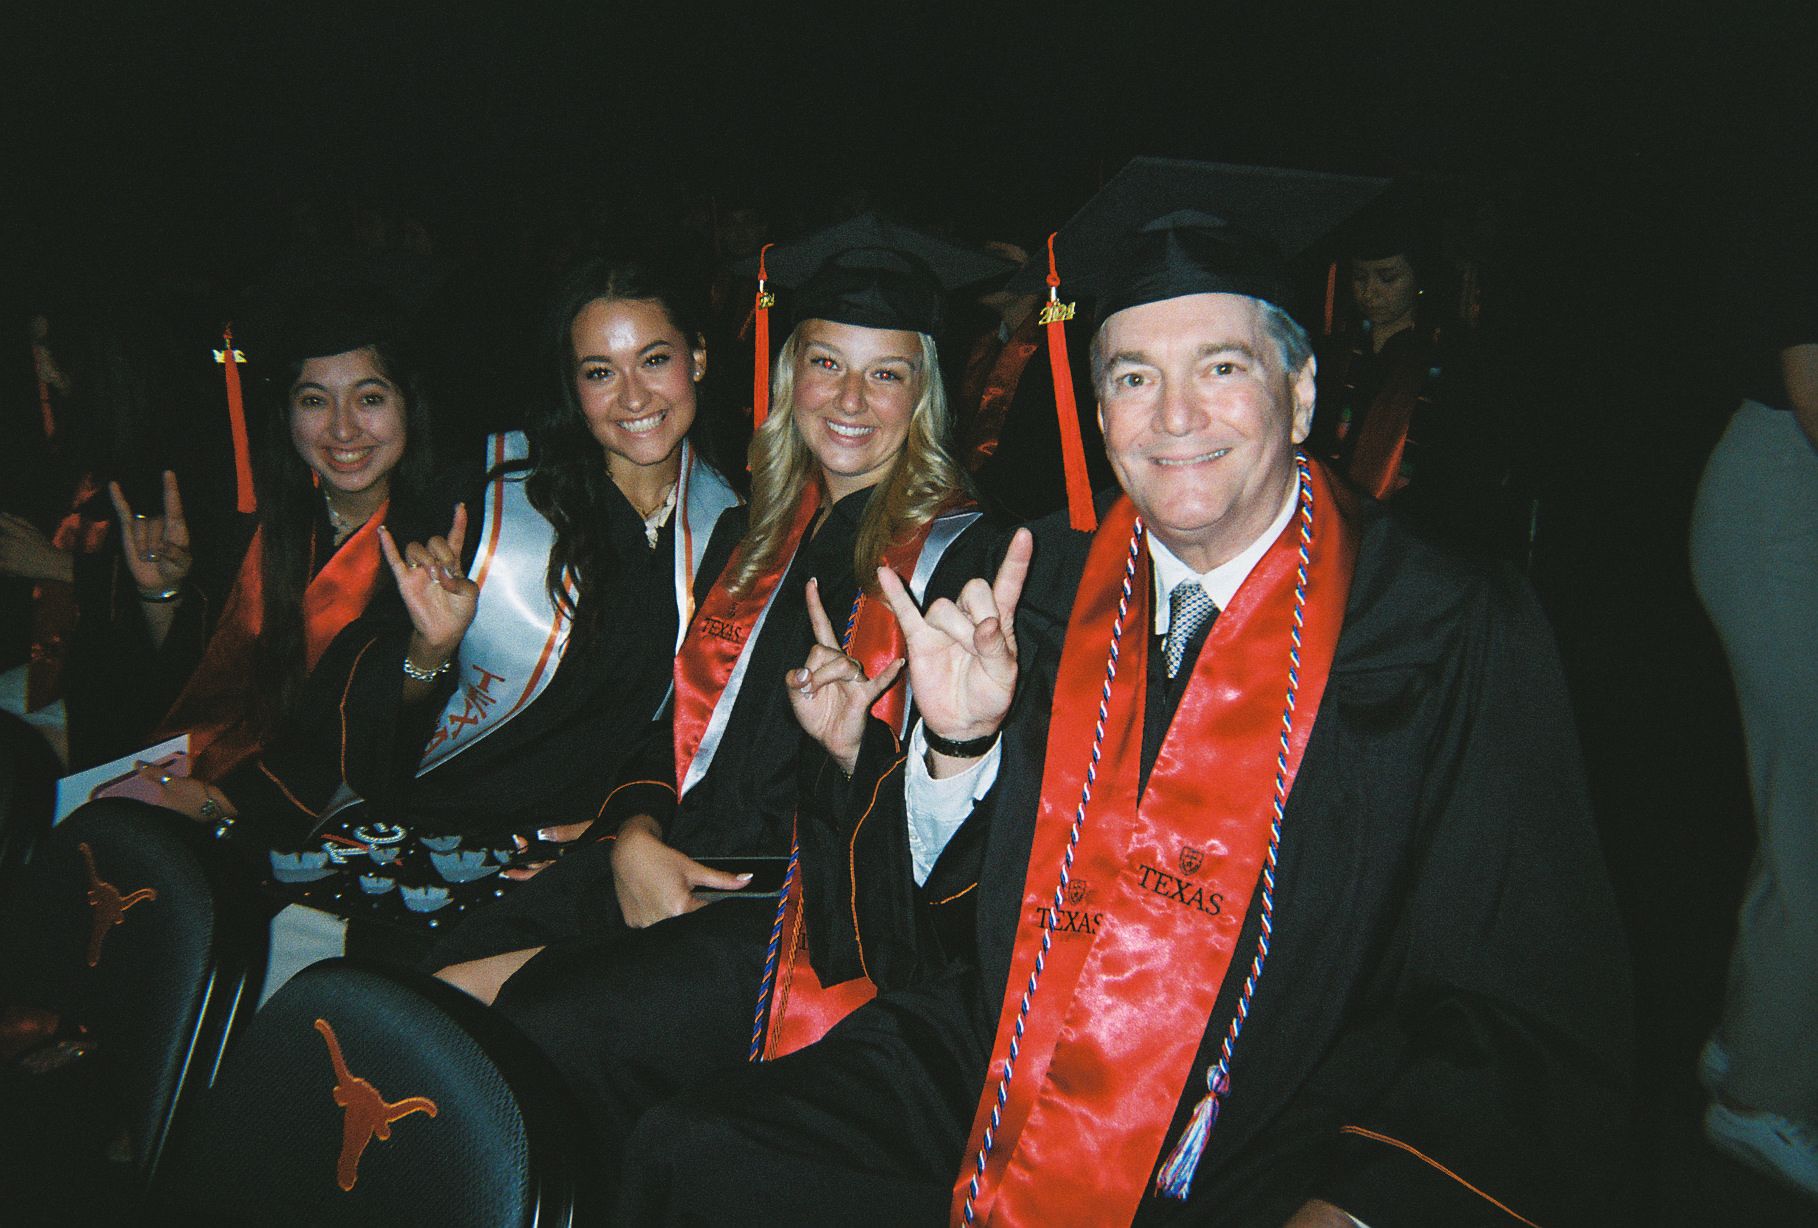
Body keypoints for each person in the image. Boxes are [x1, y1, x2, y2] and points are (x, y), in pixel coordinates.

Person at [614, 160, 1634, 1227]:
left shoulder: (1443, 622)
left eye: (1222, 366)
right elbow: (945, 940)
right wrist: (956, 749)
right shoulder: (1040, 586)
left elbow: (1524, 1008)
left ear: (1302, 390)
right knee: (692, 1155)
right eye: (1134, 377)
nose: (1175, 415)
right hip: (1005, 1048)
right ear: (1100, 415)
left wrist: (1362, 1201)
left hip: (1271, 1116)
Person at [430, 217, 1008, 1172]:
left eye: (888, 373)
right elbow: (670, 725)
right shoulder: (756, 532)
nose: (851, 399)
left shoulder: (971, 559)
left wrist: (857, 746)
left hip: (801, 908)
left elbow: (960, 832)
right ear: (791, 377)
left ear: (927, 393)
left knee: (541, 1031)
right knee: (434, 988)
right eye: (827, 363)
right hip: (673, 853)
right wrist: (636, 833)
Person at [135, 247, 745, 960]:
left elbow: (706, 721)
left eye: (654, 360)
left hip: (594, 858)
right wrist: (429, 650)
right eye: (599, 373)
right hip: (440, 845)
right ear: (572, 386)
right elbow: (351, 702)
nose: (633, 398)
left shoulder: (735, 524)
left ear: (697, 358)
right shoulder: (489, 494)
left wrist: (623, 822)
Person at [1688, 208, 1818, 1199]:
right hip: (1781, 510)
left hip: (1787, 504)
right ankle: (1760, 1100)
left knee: (1798, 810)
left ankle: (1747, 1044)